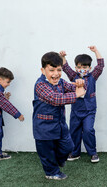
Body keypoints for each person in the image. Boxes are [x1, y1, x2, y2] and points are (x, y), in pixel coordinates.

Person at [33, 52, 86, 180]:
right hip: (43, 127)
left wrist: (80, 83)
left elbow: (74, 88)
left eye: (59, 70)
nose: (56, 74)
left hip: (59, 125)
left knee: (69, 146)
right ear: (43, 70)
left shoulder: (61, 82)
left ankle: (57, 161)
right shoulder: (40, 85)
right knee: (47, 153)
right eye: (51, 70)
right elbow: (56, 98)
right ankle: (51, 173)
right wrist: (77, 94)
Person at [60, 46, 104, 163]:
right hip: (76, 110)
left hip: (89, 110)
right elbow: (66, 67)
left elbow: (100, 66)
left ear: (89, 68)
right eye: (79, 67)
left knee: (88, 130)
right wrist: (63, 57)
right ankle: (75, 153)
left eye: (84, 67)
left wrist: (96, 51)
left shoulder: (92, 76)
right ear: (76, 68)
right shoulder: (73, 76)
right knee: (74, 131)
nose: (82, 69)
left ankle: (93, 153)